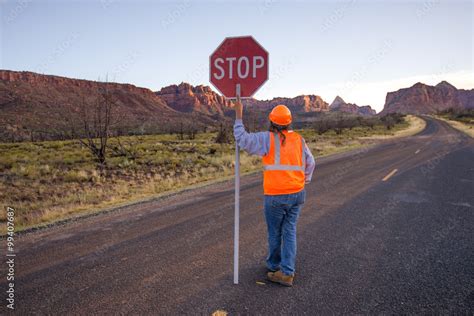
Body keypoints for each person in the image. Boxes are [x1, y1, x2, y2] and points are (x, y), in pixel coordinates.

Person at [232, 101, 315, 287]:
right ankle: (287, 271)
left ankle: (274, 266)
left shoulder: (266, 139)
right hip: (297, 193)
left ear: (271, 121)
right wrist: (304, 180)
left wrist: (238, 116)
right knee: (290, 230)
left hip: (276, 196)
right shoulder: (299, 140)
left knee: (275, 232)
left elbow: (242, 139)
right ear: (289, 122)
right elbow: (311, 163)